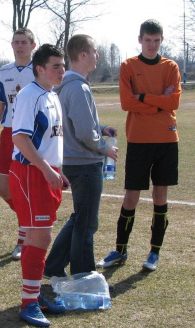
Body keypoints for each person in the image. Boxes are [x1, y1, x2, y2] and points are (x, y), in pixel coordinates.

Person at [97, 19, 181, 272]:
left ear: (161, 40)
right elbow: (126, 103)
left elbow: (174, 101)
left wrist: (143, 97)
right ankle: (120, 249)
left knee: (159, 195)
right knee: (131, 196)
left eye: (156, 40)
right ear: (140, 39)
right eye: (148, 40)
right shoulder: (128, 66)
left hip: (167, 139)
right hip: (138, 139)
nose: (152, 45)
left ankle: (154, 253)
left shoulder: (171, 67)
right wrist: (160, 101)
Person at [44, 34, 118, 278]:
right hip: (84, 164)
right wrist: (105, 147)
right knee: (87, 224)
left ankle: (53, 266)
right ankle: (83, 275)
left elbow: (81, 123)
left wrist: (102, 127)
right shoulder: (78, 87)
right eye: (95, 51)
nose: (97, 55)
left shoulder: (67, 86)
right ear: (83, 55)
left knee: (79, 218)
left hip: (73, 161)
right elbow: (85, 132)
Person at [9, 44, 69, 327]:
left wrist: (57, 170)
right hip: (30, 173)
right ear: (40, 69)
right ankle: (29, 302)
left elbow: (50, 140)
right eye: (56, 66)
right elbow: (20, 139)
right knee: (40, 237)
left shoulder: (52, 96)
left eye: (63, 65)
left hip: (45, 172)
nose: (62, 70)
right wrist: (46, 170)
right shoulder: (29, 96)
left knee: (40, 237)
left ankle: (33, 296)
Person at [0, 28, 36, 260]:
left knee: (25, 188)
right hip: (8, 134)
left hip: (31, 135)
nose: (20, 46)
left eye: (24, 42)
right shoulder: (4, 71)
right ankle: (30, 222)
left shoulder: (40, 70)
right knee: (3, 189)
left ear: (33, 45)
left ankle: (24, 236)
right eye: (16, 42)